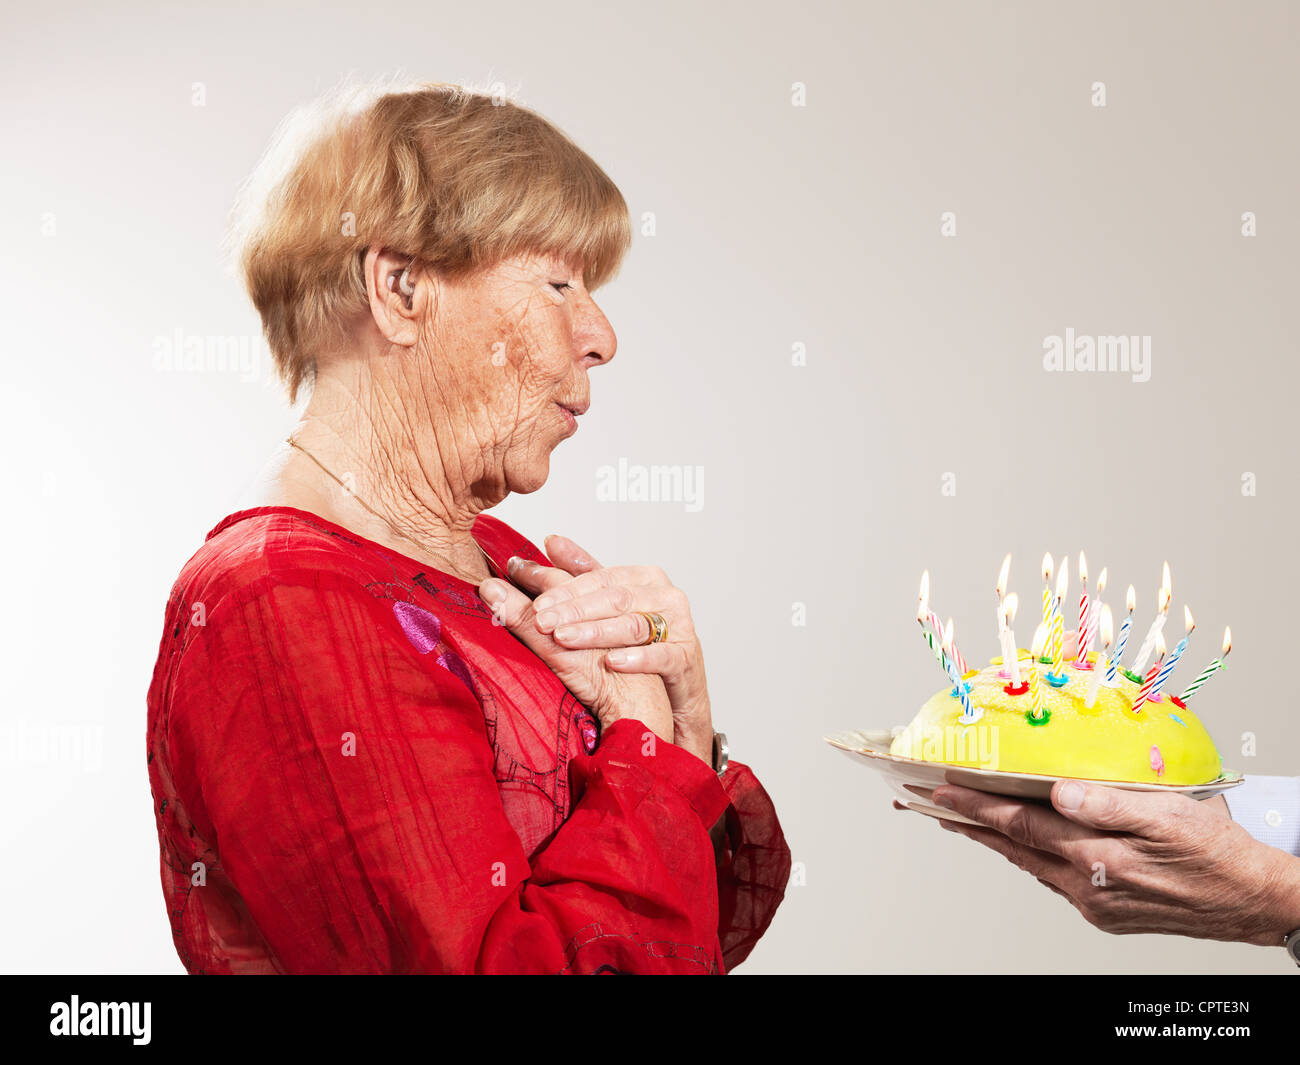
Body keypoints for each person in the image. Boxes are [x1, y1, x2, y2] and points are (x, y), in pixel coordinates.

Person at [145, 80, 790, 974]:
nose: (603, 335)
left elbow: (689, 938)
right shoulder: (279, 599)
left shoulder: (501, 562)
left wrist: (681, 722)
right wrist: (642, 752)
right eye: (559, 282)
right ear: (401, 287)